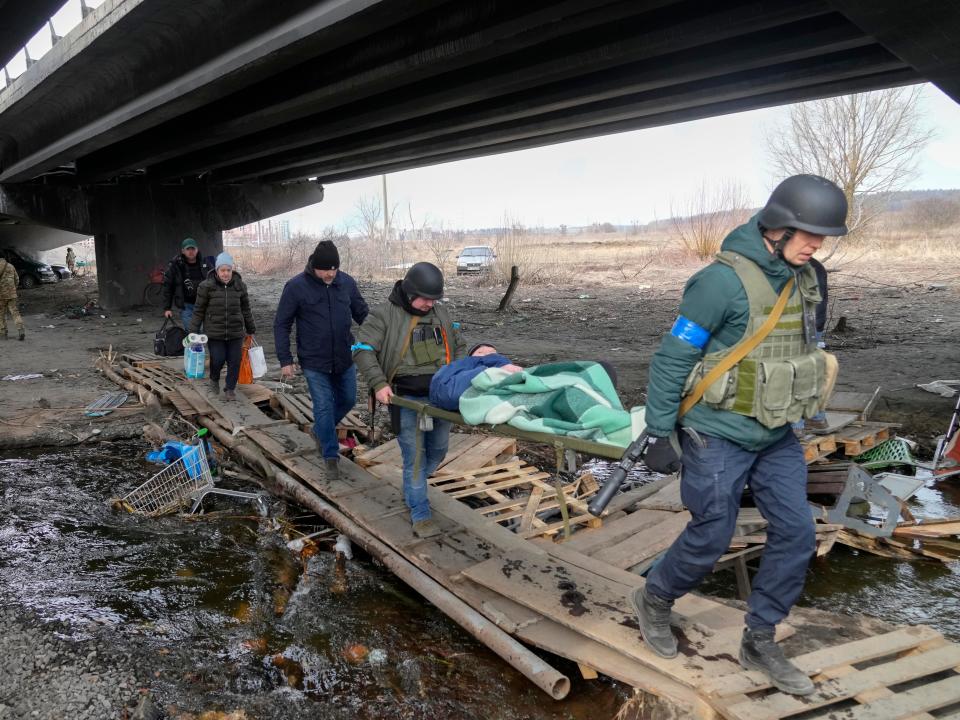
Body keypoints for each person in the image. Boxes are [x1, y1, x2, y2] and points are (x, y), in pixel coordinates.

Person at [634, 174, 848, 696]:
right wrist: (660, 430)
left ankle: (760, 637)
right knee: (711, 534)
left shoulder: (806, 276)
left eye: (822, 236)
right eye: (806, 233)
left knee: (797, 533)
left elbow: (801, 350)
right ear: (776, 226)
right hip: (717, 432)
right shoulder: (719, 283)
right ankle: (654, 599)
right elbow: (673, 358)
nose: (815, 244)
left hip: (775, 433)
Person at [353, 262, 466, 538]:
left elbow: (459, 345)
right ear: (410, 292)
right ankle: (419, 509)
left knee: (438, 450)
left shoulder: (440, 312)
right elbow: (362, 350)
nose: (430, 304)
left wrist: (461, 375)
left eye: (434, 299)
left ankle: (414, 486)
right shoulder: (384, 315)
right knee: (414, 457)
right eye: (426, 299)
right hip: (405, 399)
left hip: (441, 397)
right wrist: (379, 384)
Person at [274, 240, 368, 479]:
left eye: (334, 269)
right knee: (324, 406)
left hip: (344, 357)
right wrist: (286, 359)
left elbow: (362, 314)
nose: (330, 274)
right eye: (326, 269)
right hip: (314, 361)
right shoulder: (296, 287)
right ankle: (330, 456)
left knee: (347, 400)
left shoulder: (346, 283)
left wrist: (377, 337)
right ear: (314, 266)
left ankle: (320, 431)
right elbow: (282, 324)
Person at [189, 252, 255, 401]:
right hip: (214, 332)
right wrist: (193, 331)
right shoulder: (206, 286)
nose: (226, 273)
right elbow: (198, 310)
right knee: (218, 359)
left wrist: (251, 328)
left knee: (235, 360)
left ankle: (230, 388)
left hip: (235, 332)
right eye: (222, 270)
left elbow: (246, 309)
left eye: (228, 270)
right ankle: (214, 379)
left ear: (232, 270)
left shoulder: (240, 286)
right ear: (217, 271)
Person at [429, 343, 522, 410]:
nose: (487, 354)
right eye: (480, 352)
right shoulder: (469, 363)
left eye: (492, 352)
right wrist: (503, 363)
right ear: (471, 356)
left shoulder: (455, 367)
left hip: (437, 397)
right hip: (449, 392)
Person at [162, 237, 213, 330]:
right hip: (186, 306)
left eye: (193, 249)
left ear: (197, 250)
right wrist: (167, 308)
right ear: (183, 251)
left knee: (202, 333)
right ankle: (191, 344)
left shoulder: (206, 264)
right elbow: (168, 287)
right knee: (191, 334)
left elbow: (215, 282)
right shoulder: (175, 266)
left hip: (204, 305)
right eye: (188, 249)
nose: (191, 251)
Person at [0, 254, 24, 341]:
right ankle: (21, 329)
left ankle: (3, 334)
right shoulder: (10, 266)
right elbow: (17, 279)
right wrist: (13, 289)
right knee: (15, 312)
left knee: (1, 314)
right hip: (12, 294)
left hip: (1, 295)